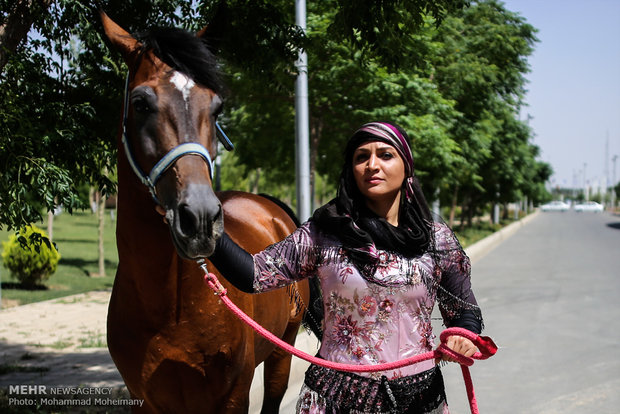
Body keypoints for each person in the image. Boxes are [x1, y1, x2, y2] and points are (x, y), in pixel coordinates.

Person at [209, 122, 484, 413]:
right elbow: (254, 274)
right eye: (361, 157)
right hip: (334, 400)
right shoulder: (323, 234)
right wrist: (208, 231)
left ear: (407, 167)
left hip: (420, 399)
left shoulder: (437, 240)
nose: (372, 165)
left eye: (385, 155)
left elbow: (464, 310)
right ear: (352, 170)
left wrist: (462, 335)